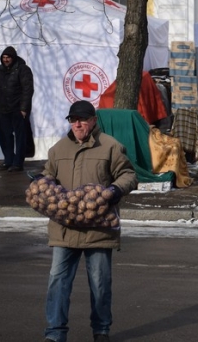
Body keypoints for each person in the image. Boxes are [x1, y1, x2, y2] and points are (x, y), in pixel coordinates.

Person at [41, 100, 137, 342]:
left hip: (98, 229)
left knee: (100, 283)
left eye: (82, 119)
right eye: (73, 120)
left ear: (93, 120)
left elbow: (129, 175)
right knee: (58, 282)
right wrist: (40, 185)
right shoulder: (58, 149)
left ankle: (101, 330)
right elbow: (47, 177)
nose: (77, 124)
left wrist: (115, 190)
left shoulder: (110, 147)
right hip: (64, 228)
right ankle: (55, 334)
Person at [0, 46, 34, 172]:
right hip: (2, 108)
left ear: (13, 57)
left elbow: (28, 90)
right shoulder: (0, 70)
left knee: (20, 137)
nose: (5, 60)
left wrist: (23, 108)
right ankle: (8, 160)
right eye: (4, 58)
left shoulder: (23, 69)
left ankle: (18, 163)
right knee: (5, 136)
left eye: (8, 57)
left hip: (17, 109)